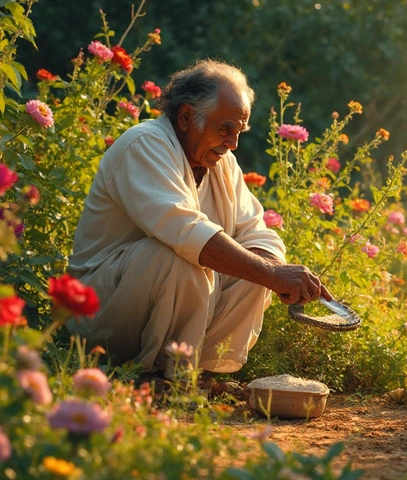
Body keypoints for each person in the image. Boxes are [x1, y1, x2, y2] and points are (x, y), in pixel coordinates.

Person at [67, 59, 331, 379]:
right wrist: (272, 274)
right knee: (178, 256)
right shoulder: (145, 144)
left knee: (258, 263)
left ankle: (194, 374)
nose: (233, 144)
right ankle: (146, 376)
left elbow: (257, 233)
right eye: (226, 129)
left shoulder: (222, 162)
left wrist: (272, 271)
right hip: (96, 309)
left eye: (239, 132)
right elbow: (186, 232)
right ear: (187, 116)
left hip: (152, 302)